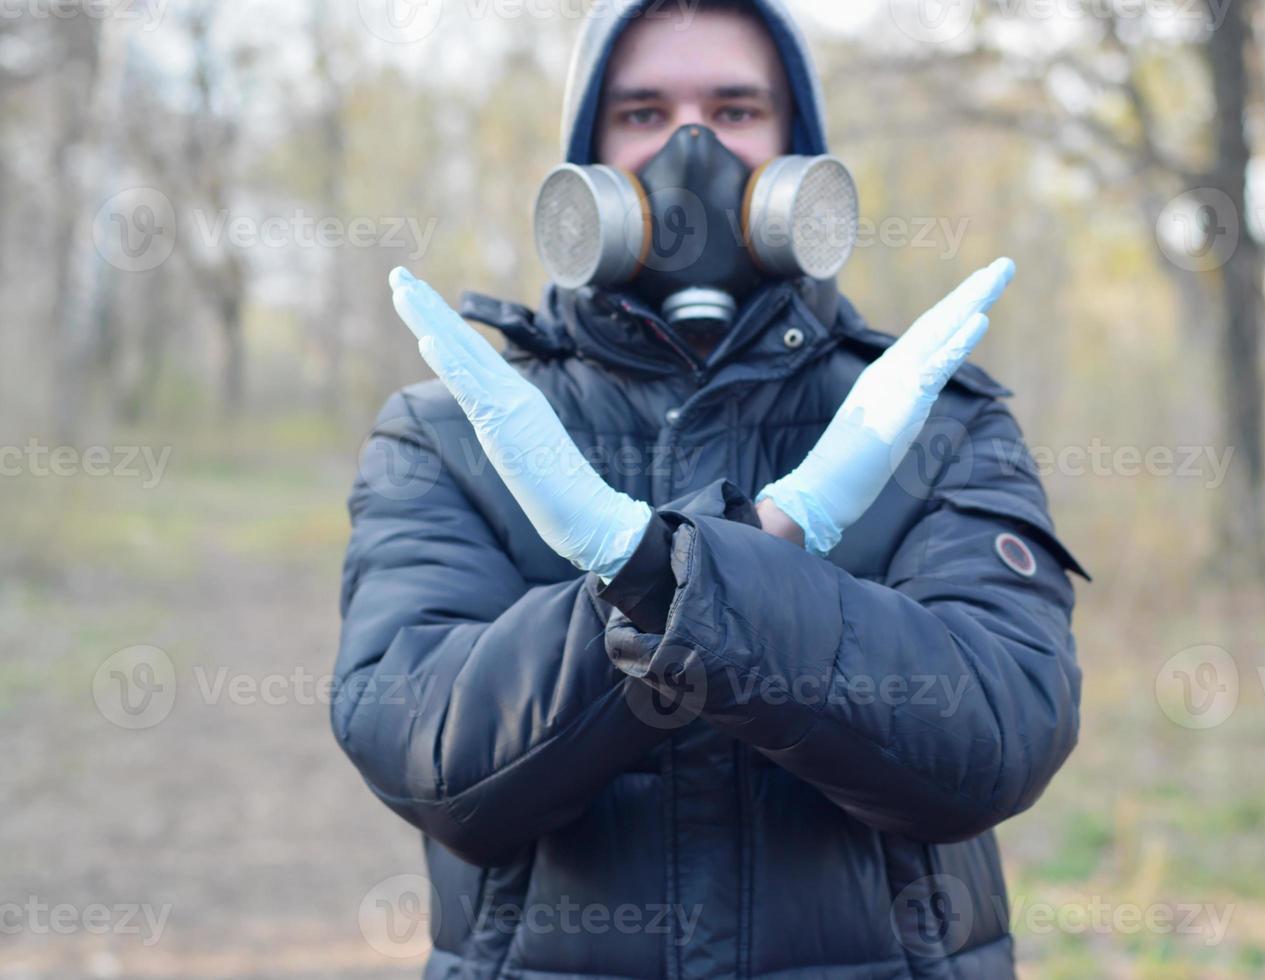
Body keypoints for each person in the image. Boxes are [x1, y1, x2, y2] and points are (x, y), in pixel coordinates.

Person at [332, 1, 1088, 976]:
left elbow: (995, 737)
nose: (693, 153)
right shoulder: (449, 435)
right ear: (587, 157)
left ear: (796, 148)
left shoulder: (933, 421)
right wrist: (721, 563)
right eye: (643, 114)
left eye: (736, 111)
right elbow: (432, 759)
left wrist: (668, 579)